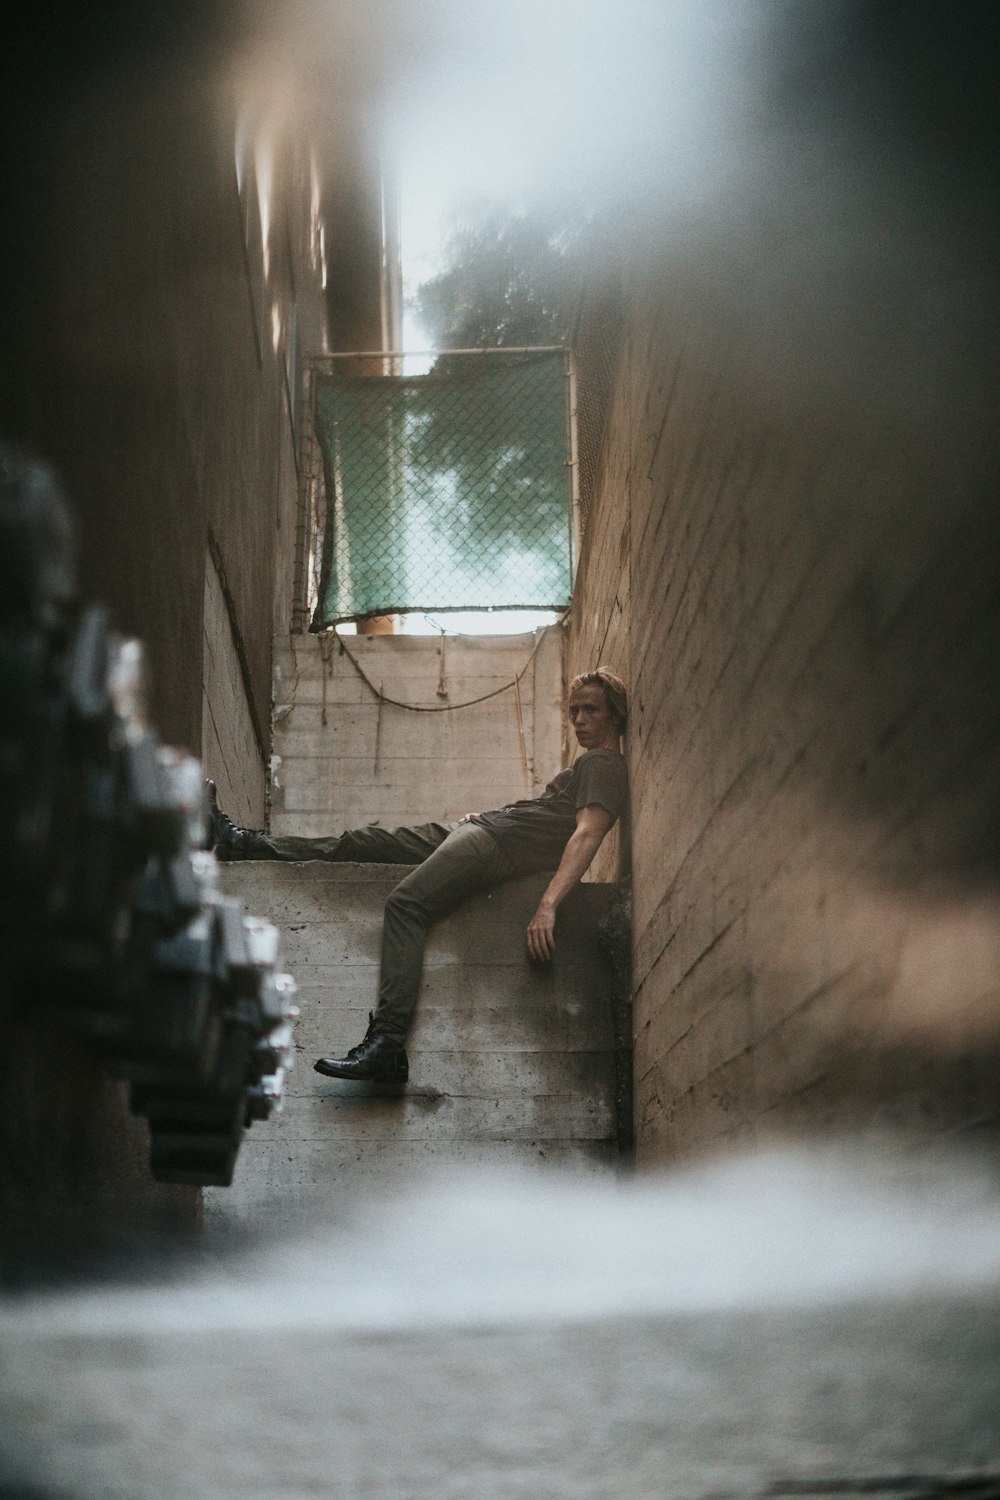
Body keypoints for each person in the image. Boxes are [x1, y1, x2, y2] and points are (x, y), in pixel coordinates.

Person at [208, 668, 628, 1083]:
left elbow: (587, 834)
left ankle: (388, 1044)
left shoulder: (604, 764)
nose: (579, 721)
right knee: (360, 842)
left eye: (590, 710)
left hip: (491, 844)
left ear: (615, 714)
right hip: (483, 831)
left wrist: (548, 905)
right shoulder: (587, 764)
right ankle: (242, 844)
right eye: (573, 712)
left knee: (406, 906)